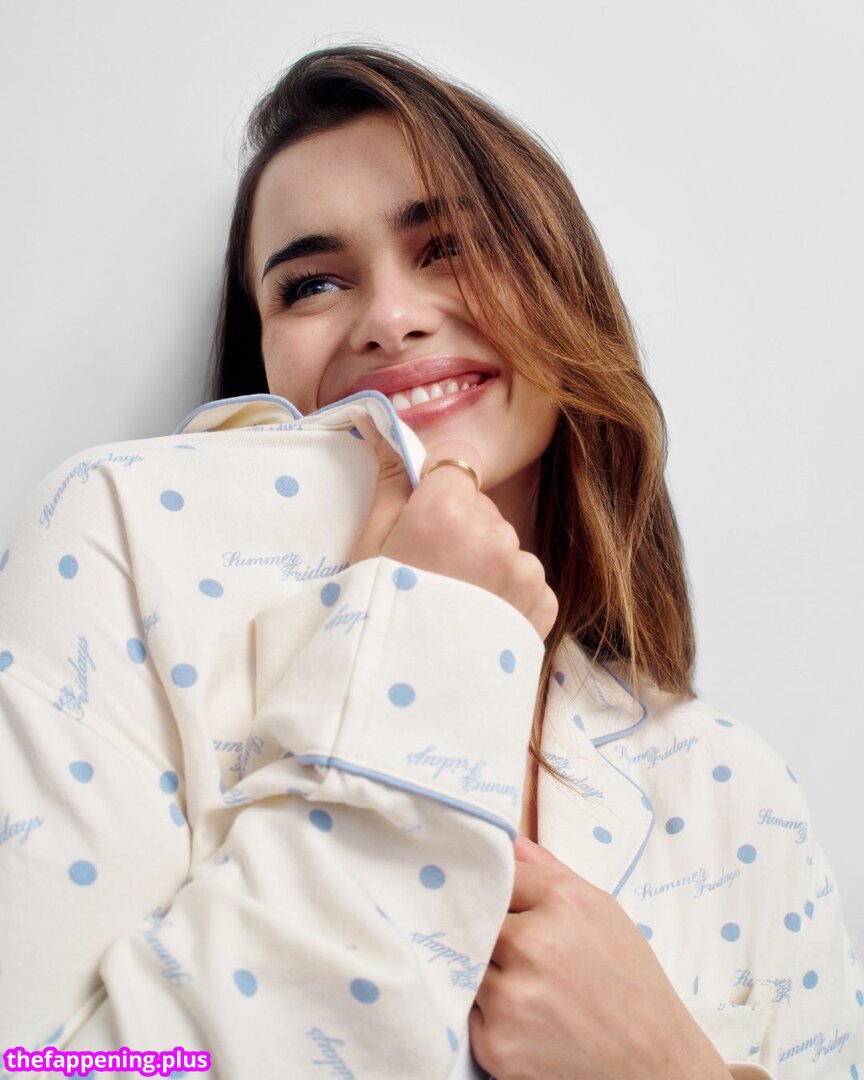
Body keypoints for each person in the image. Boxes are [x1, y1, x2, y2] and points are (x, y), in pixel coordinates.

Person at [0, 43, 860, 1080]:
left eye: (449, 247)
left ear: (563, 289)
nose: (390, 318)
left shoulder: (733, 786)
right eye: (312, 284)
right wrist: (424, 640)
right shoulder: (116, 546)